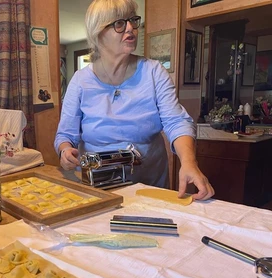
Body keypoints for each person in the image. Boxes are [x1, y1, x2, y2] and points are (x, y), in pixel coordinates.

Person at [54, 0, 214, 201]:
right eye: (119, 23)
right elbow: (65, 134)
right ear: (97, 33)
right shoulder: (80, 80)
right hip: (98, 189)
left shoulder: (154, 72)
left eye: (133, 20)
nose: (130, 28)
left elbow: (177, 122)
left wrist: (189, 162)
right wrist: (65, 150)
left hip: (148, 184)